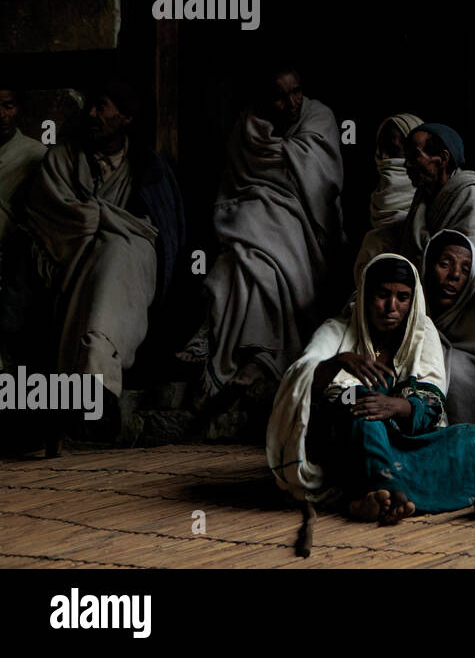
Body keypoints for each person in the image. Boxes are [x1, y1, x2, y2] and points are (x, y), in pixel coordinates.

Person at [267, 253, 475, 524]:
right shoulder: (338, 329)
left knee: (470, 437)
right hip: (348, 440)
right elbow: (300, 377)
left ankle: (371, 496)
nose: (390, 307)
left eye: (402, 297)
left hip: (402, 441)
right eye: (382, 295)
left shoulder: (422, 332)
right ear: (365, 295)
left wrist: (398, 406)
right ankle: (390, 493)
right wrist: (337, 362)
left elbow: (433, 403)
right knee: (359, 403)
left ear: (412, 300)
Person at [24, 82, 184, 428]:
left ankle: (94, 379)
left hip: (130, 268)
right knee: (113, 248)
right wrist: (113, 222)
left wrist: (107, 225)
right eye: (92, 108)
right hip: (75, 261)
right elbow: (53, 216)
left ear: (125, 117)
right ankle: (97, 381)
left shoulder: (148, 168)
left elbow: (159, 236)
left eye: (102, 107)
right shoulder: (62, 158)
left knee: (124, 249)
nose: (93, 115)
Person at [183, 66, 345, 396]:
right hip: (249, 207)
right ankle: (237, 345)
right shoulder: (248, 126)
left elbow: (322, 177)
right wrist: (279, 162)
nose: (292, 102)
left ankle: (245, 349)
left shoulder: (320, 116)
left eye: (296, 91)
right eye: (281, 97)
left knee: (258, 257)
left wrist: (281, 159)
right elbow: (240, 177)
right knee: (240, 256)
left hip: (302, 216)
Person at [400, 123, 475, 293]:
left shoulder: (473, 197)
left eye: (414, 156)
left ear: (443, 159)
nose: (407, 164)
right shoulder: (423, 196)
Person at [423, 228, 475, 427]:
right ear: (427, 266)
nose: (455, 275)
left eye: (466, 269)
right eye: (444, 264)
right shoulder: (408, 307)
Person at [0, 88, 48, 360]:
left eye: (8, 106)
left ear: (18, 108)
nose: (1, 115)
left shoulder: (34, 154)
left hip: (13, 253)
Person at [350, 113, 424, 282]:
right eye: (381, 151)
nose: (384, 159)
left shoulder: (430, 200)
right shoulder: (374, 198)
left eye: (393, 150)